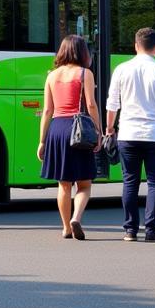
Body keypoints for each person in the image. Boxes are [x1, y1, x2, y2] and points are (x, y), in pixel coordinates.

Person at [104, 27, 155, 242]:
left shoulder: (121, 69)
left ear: (136, 46)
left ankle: (130, 230)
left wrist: (110, 129)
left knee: (130, 182)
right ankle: (152, 230)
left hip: (128, 133)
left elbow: (112, 103)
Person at [37, 35, 102, 239]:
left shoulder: (52, 76)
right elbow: (91, 105)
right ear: (82, 52)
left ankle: (65, 227)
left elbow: (47, 110)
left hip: (57, 129)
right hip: (79, 129)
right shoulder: (85, 74)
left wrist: (42, 140)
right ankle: (76, 218)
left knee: (63, 184)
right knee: (84, 183)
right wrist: (98, 132)